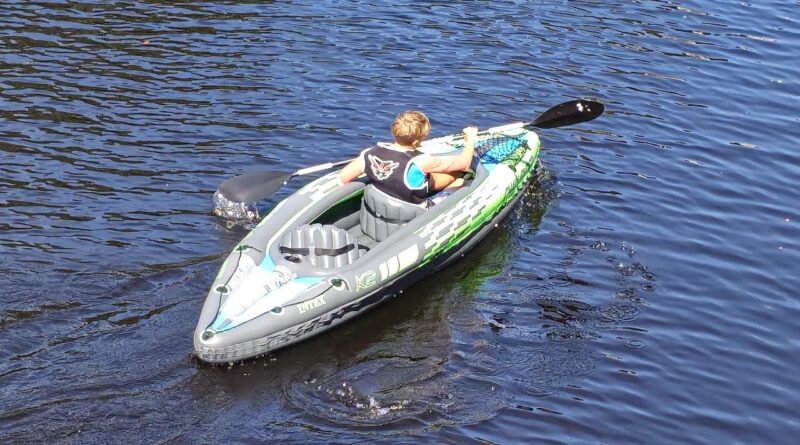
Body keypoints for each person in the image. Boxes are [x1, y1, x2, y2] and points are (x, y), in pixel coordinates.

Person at [338, 110, 478, 207]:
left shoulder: (369, 154)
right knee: (459, 178)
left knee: (433, 176)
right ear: (417, 142)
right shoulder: (422, 161)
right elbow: (464, 163)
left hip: (380, 208)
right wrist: (470, 138)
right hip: (415, 212)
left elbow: (344, 177)